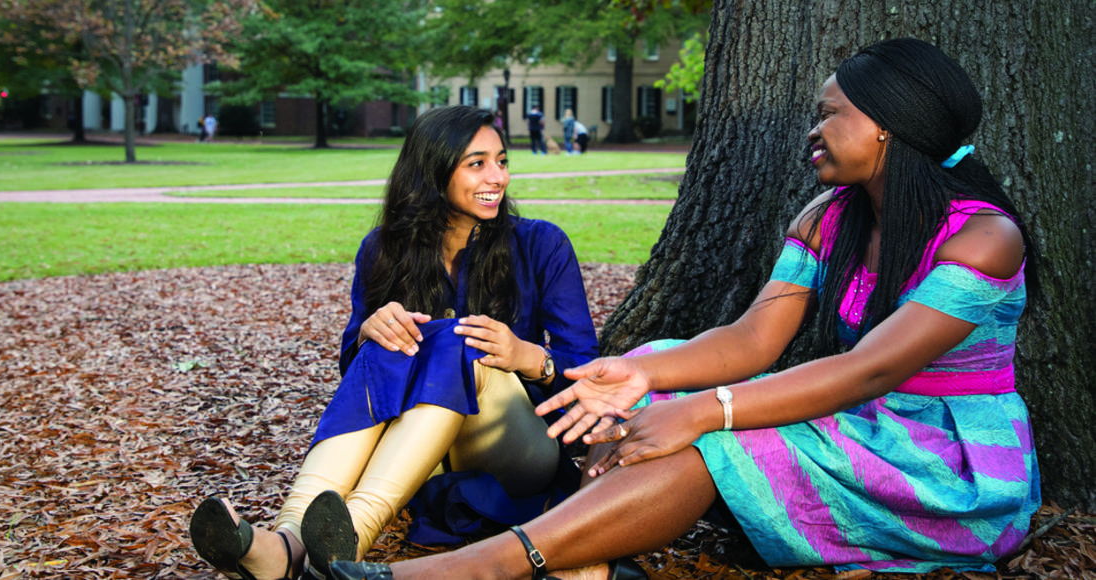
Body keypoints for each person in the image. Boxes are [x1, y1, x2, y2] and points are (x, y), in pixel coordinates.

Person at [313, 38, 1041, 580]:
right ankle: (590, 553)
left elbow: (867, 372)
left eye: (830, 115)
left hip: (941, 460)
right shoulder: (830, 217)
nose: (813, 131)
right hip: (858, 420)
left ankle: (486, 565)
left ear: (886, 124)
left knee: (709, 434)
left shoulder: (984, 240)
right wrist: (635, 375)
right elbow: (753, 340)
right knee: (649, 367)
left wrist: (704, 410)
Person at [188, 105, 599, 580]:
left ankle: (353, 531)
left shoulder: (541, 244)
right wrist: (369, 331)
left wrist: (527, 356)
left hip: (515, 450)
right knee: (387, 341)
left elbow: (585, 376)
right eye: (477, 163)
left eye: (501, 161)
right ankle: (288, 543)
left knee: (457, 339)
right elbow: (360, 379)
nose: (498, 177)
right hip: (417, 455)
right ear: (433, 170)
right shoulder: (383, 249)